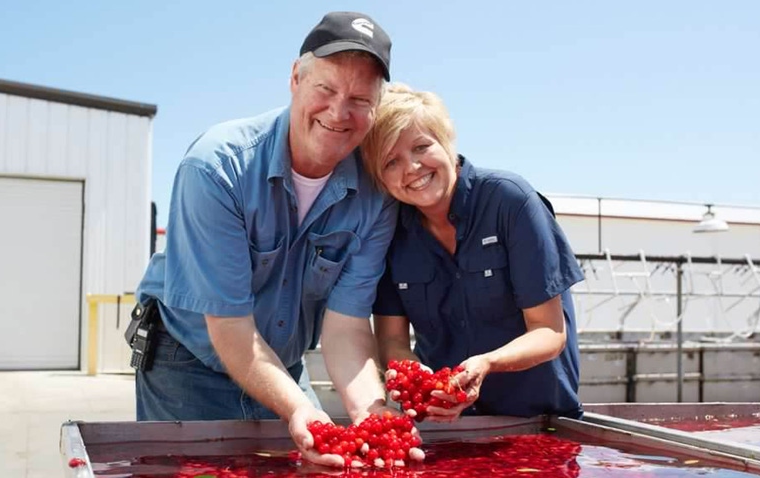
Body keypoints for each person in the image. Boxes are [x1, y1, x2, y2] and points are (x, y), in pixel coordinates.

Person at [131, 12, 412, 467]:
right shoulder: (216, 169)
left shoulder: (376, 194)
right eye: (326, 89)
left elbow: (346, 327)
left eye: (360, 99)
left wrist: (371, 412)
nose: (339, 113)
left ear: (376, 106)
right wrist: (300, 407)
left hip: (282, 364)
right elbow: (230, 327)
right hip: (188, 364)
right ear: (296, 78)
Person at [360, 84, 585, 420]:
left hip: (538, 422)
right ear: (380, 177)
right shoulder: (391, 233)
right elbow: (391, 340)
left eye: (421, 147)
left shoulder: (510, 202)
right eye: (391, 162)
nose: (412, 167)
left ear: (447, 142)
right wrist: (420, 379)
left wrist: (487, 364)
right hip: (447, 428)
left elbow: (549, 331)